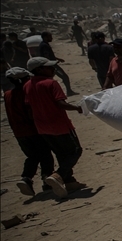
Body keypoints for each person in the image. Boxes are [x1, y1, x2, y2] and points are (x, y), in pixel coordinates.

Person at [23, 57, 84, 198]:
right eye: (49, 67)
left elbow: (29, 108)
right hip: (60, 125)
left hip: (42, 127)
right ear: (39, 69)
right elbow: (60, 104)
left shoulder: (27, 85)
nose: (53, 69)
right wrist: (77, 108)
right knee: (75, 150)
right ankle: (59, 175)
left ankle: (69, 181)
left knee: (61, 153)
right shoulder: (51, 83)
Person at [5, 67, 55, 197]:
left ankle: (26, 178)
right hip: (33, 129)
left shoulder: (7, 94)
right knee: (45, 154)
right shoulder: (27, 92)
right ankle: (47, 180)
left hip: (19, 132)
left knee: (32, 156)